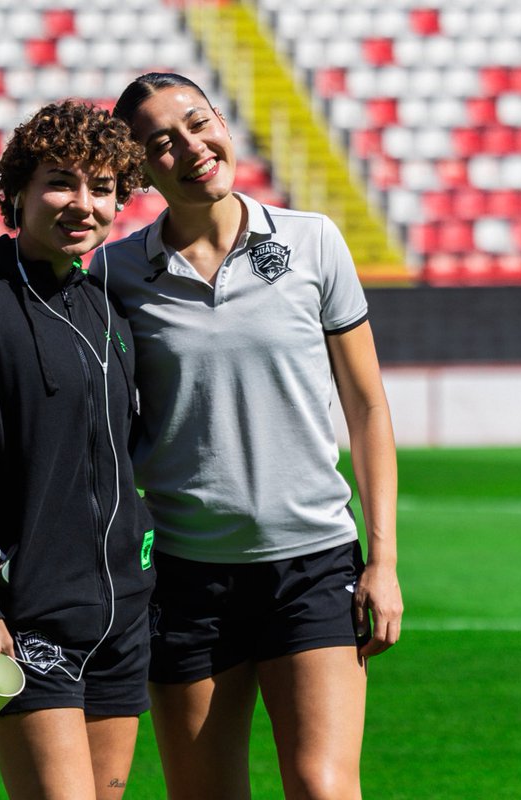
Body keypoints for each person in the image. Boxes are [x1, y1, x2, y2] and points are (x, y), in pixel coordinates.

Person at [101, 73, 404, 799]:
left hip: (313, 566)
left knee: (322, 786)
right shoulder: (114, 273)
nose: (191, 148)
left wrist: (384, 560)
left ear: (224, 124)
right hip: (183, 576)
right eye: (162, 142)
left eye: (198, 123)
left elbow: (366, 409)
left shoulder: (312, 241)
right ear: (140, 169)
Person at [0, 100, 155, 800]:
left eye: (102, 188)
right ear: (16, 191)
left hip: (122, 617)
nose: (84, 203)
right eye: (60, 181)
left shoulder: (107, 306)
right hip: (27, 617)